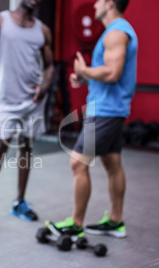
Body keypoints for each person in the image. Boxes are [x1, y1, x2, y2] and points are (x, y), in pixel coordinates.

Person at [46, 0, 137, 240]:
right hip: (111, 108)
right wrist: (86, 79)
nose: (94, 4)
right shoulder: (115, 31)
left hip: (105, 111)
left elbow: (113, 71)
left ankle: (76, 225)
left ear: (109, 4)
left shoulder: (116, 32)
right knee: (112, 163)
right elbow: (109, 73)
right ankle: (115, 222)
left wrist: (86, 71)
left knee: (78, 163)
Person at [0, 0, 54, 229]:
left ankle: (19, 202)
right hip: (7, 100)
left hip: (33, 100)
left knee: (27, 148)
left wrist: (44, 86)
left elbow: (49, 65)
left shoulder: (42, 30)